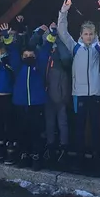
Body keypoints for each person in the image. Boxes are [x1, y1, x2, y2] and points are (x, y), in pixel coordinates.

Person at [57, 0, 100, 166]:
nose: (88, 37)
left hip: (96, 94)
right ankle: (79, 156)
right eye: (86, 34)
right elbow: (62, 31)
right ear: (81, 35)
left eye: (91, 34)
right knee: (79, 127)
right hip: (80, 95)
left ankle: (96, 156)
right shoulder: (75, 47)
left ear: (95, 34)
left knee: (96, 126)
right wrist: (64, 12)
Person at [3, 22, 55, 171]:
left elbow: (45, 50)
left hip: (36, 104)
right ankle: (24, 155)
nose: (28, 57)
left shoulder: (39, 65)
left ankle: (36, 157)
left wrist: (52, 34)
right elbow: (12, 51)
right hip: (20, 103)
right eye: (25, 55)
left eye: (31, 55)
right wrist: (7, 36)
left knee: (36, 132)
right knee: (22, 131)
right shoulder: (19, 66)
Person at [31, 23, 72, 165]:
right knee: (49, 122)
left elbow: (67, 60)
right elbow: (31, 44)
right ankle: (50, 146)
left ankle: (64, 147)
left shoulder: (60, 52)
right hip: (45, 94)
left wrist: (58, 38)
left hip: (60, 93)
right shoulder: (41, 50)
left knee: (62, 122)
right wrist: (40, 32)